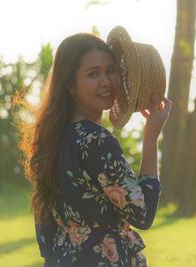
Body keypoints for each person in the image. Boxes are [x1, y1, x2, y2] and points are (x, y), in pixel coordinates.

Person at [23, 32, 172, 267]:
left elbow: (44, 228)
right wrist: (151, 136)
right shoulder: (95, 141)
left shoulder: (52, 136)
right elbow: (142, 213)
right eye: (93, 74)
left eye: (111, 70)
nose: (106, 81)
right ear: (71, 85)